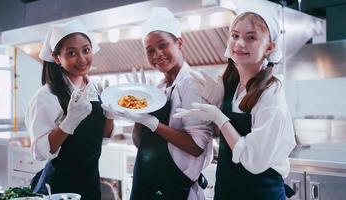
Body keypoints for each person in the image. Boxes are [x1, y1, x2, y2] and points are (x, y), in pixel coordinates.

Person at [173, 11, 296, 200]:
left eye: (251, 37)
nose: (239, 44)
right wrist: (217, 101)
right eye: (235, 35)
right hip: (227, 192)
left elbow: (253, 160)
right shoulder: (231, 83)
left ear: (269, 47)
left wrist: (220, 118)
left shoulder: (271, 95)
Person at [116, 7, 214, 200]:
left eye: (163, 45)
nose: (157, 54)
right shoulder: (159, 88)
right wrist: (140, 114)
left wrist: (154, 124)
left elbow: (196, 146)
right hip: (148, 186)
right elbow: (139, 142)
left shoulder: (192, 84)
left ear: (179, 43)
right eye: (150, 50)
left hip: (177, 190)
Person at [25, 20, 114, 200]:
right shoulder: (47, 96)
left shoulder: (95, 89)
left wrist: (110, 114)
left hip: (90, 187)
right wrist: (69, 122)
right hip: (58, 189)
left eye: (86, 50)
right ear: (57, 57)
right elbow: (40, 152)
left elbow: (102, 138)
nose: (82, 59)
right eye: (71, 53)